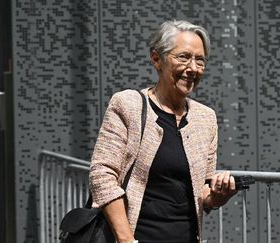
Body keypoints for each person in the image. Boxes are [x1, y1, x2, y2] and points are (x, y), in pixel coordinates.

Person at [89, 20, 237, 243]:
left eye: (200, 60)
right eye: (183, 57)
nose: (193, 68)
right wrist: (126, 240)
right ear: (157, 59)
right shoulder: (127, 105)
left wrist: (219, 195)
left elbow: (203, 192)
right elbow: (101, 175)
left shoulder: (206, 118)